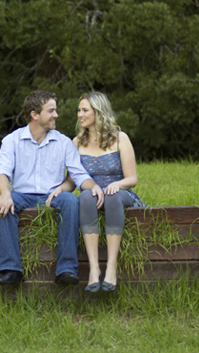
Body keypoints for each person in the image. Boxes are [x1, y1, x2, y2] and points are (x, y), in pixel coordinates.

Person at [0, 90, 103, 286]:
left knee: (71, 200)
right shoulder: (12, 140)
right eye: (51, 111)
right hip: (21, 195)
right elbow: (2, 173)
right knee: (2, 204)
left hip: (53, 196)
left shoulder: (63, 142)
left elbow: (78, 174)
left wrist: (94, 186)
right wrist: (5, 194)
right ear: (35, 115)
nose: (56, 115)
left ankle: (66, 270)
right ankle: (11, 270)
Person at [73, 92, 144, 293]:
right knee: (85, 195)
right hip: (92, 195)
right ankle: (94, 269)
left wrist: (117, 185)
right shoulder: (76, 142)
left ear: (98, 111)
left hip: (119, 193)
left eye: (84, 110)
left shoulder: (120, 138)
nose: (79, 114)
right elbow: (73, 179)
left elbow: (132, 179)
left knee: (112, 196)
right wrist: (57, 190)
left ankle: (111, 267)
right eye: (79, 110)